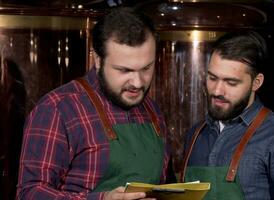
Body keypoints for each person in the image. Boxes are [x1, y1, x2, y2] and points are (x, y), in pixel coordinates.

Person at [17, 7, 170, 200]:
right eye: (124, 70)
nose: (138, 82)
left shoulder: (152, 110)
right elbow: (29, 193)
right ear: (97, 59)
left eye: (146, 68)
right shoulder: (58, 110)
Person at [181, 31, 274, 199]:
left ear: (256, 82)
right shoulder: (195, 135)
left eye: (231, 83)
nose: (217, 91)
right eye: (212, 78)